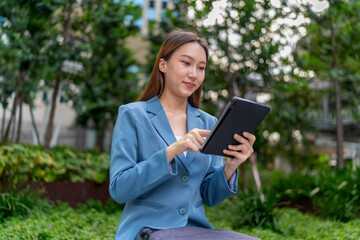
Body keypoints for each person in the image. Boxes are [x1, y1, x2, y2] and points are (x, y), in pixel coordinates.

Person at [109, 29, 260, 240]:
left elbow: (210, 195)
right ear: (163, 65)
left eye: (201, 68)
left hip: (195, 230)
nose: (194, 74)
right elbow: (119, 189)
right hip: (148, 229)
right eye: (186, 63)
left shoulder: (208, 122)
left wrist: (230, 166)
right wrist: (172, 151)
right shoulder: (133, 115)